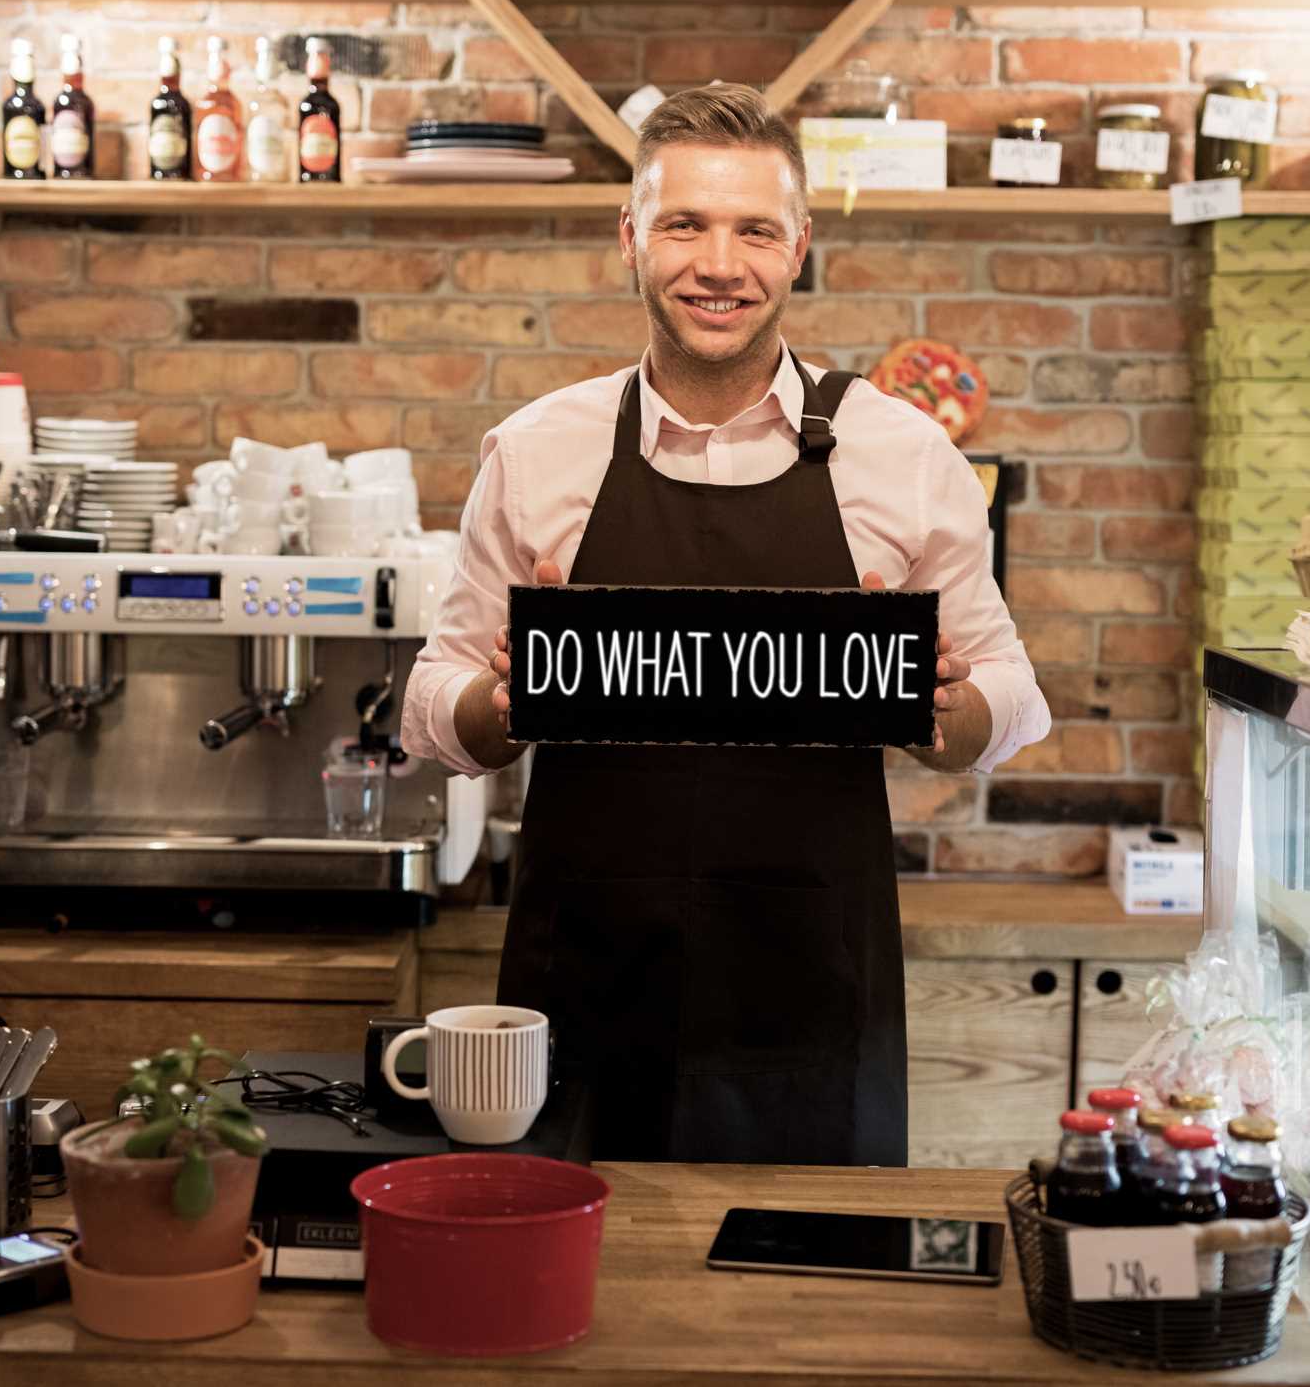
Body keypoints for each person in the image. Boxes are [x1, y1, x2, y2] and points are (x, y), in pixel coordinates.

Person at [399, 83, 1049, 1166]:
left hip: (813, 990)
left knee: (807, 1313)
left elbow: (1014, 700)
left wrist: (947, 709)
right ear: (631, 240)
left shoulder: (905, 455)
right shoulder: (536, 449)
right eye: (684, 224)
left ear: (800, 244)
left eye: (754, 229)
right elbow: (436, 703)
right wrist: (498, 702)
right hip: (585, 988)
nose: (719, 263)